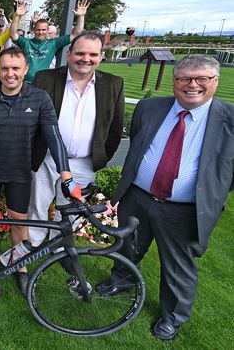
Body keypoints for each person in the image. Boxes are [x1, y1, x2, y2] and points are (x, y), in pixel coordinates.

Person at [98, 55, 234, 341]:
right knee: (127, 246)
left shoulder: (230, 121)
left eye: (201, 79)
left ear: (215, 81)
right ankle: (121, 280)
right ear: (174, 81)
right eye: (184, 78)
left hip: (184, 209)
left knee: (177, 265)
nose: (192, 85)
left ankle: (172, 316)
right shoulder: (149, 108)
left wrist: (208, 191)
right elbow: (138, 145)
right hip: (137, 197)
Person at [0, 47, 80, 295]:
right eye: (5, 68)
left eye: (15, 68)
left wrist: (66, 174)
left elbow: (53, 136)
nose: (10, 74)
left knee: (19, 220)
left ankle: (20, 266)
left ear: (25, 69)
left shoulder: (39, 98)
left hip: (20, 171)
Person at [27, 32, 125, 246]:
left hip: (83, 163)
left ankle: (58, 250)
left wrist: (101, 158)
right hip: (46, 159)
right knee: (37, 207)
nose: (86, 59)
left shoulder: (113, 84)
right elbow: (31, 120)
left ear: (100, 57)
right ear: (69, 54)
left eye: (93, 54)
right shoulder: (45, 78)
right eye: (80, 53)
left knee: (70, 212)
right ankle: (29, 249)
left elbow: (116, 128)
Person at [9, 0, 89, 83]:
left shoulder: (53, 43)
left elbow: (76, 34)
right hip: (26, 82)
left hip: (44, 82)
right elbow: (13, 34)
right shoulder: (26, 43)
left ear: (47, 30)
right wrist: (17, 16)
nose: (40, 32)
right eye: (38, 30)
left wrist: (81, 17)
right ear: (33, 30)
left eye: (43, 30)